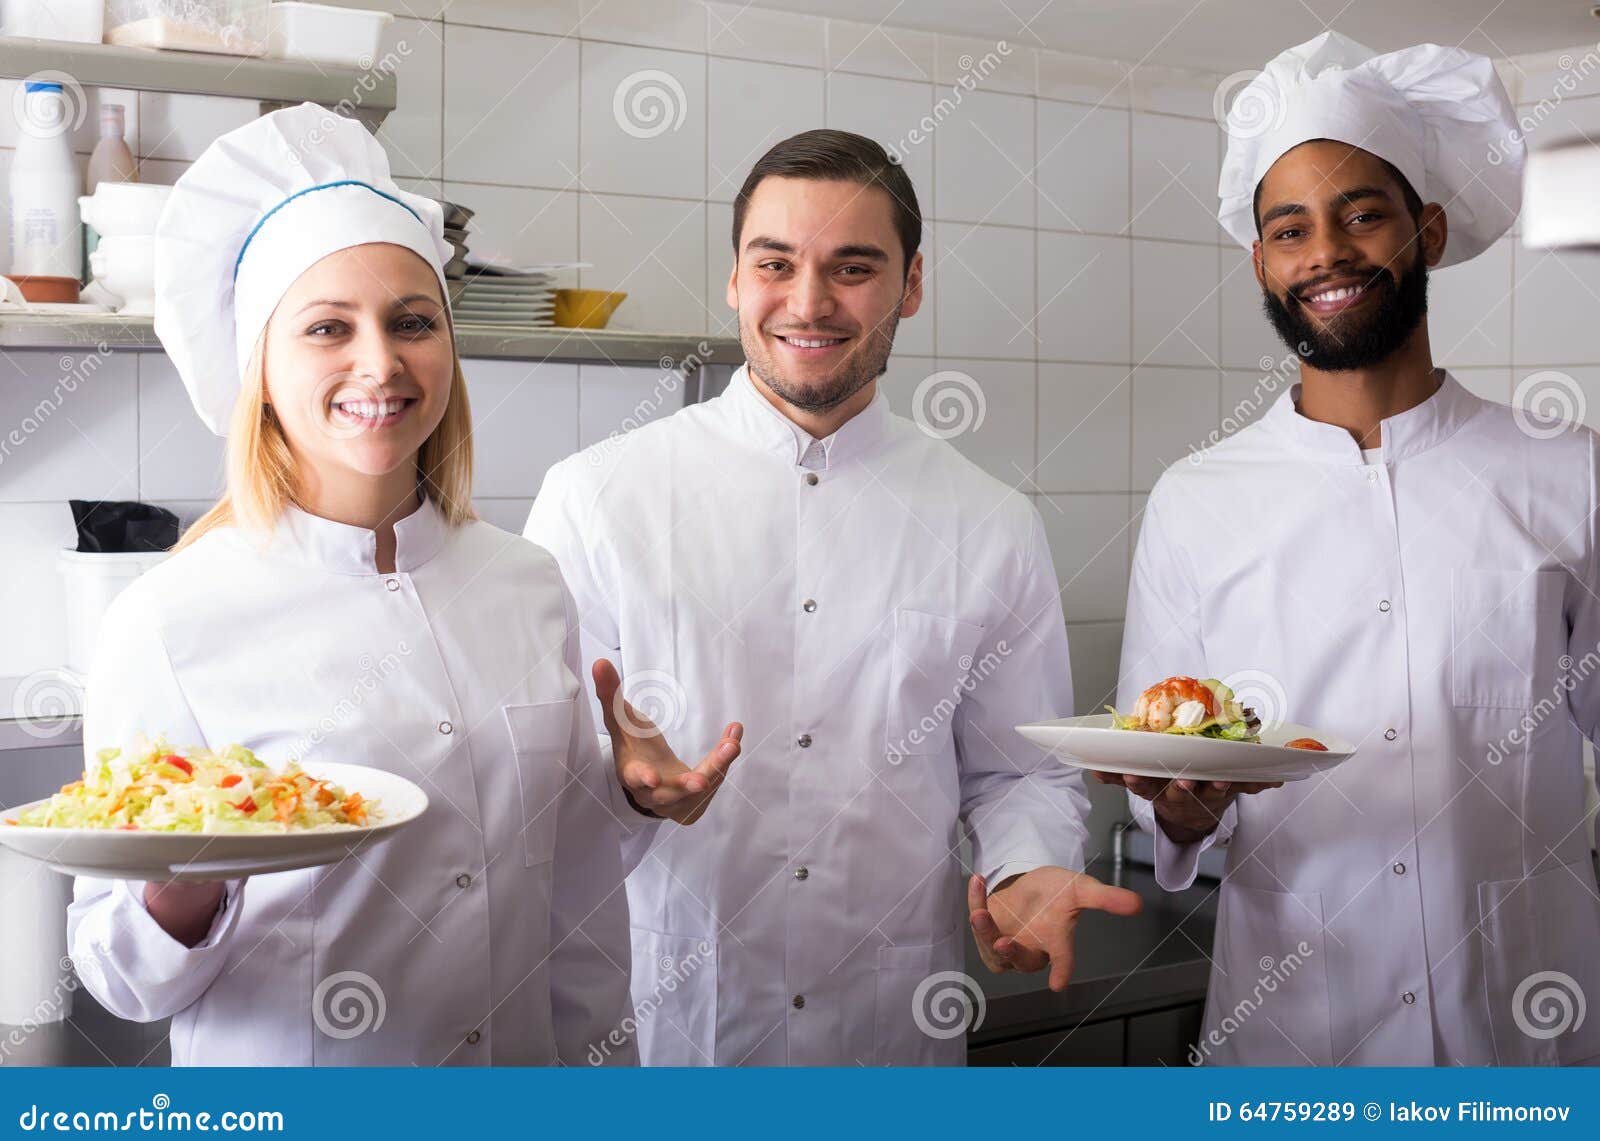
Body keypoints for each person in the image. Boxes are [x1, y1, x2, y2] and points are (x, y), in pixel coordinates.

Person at [63, 103, 683, 1065]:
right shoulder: (171, 621)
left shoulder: (527, 583)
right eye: (326, 327)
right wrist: (182, 885)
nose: (379, 362)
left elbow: (558, 879)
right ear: (259, 367)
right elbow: (118, 973)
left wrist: (632, 799)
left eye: (411, 322)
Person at [526, 129, 1140, 1066]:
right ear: (735, 278)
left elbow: (1023, 770)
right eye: (776, 263)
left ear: (913, 284)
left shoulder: (988, 521)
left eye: (853, 267)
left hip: (888, 1033)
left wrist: (1024, 867)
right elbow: (534, 787)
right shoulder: (595, 498)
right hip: (669, 1034)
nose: (808, 302)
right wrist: (626, 787)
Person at [1108, 32, 1600, 1065]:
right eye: (1289, 229)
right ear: (1261, 262)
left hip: (1523, 1025)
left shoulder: (1566, 473)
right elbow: (1170, 769)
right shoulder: (1196, 501)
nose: (1324, 250)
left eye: (1360, 214)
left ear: (1424, 227)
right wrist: (1184, 810)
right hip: (1295, 1039)